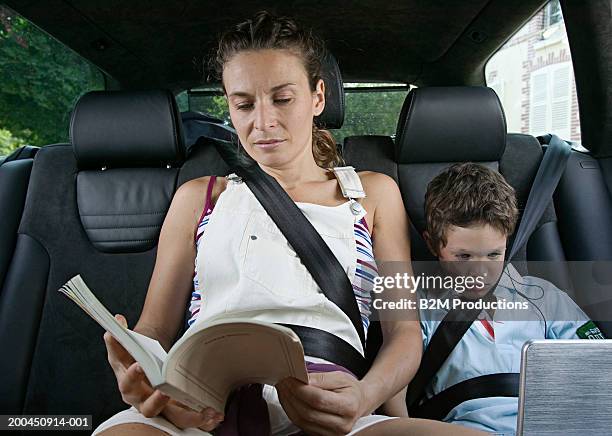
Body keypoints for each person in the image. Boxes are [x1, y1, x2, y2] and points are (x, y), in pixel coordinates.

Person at [93, 11, 486, 436]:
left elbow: (404, 333)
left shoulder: (372, 194)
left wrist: (363, 397)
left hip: (331, 407)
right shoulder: (198, 197)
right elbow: (155, 328)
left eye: (282, 99)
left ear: (318, 96)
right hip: (200, 414)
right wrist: (136, 359)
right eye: (243, 104)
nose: (263, 123)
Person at [385, 162, 605, 435]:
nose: (480, 272)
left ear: (507, 243)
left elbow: (598, 371)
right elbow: (393, 401)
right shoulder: (417, 309)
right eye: (463, 256)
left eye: (493, 255)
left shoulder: (544, 299)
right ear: (432, 244)